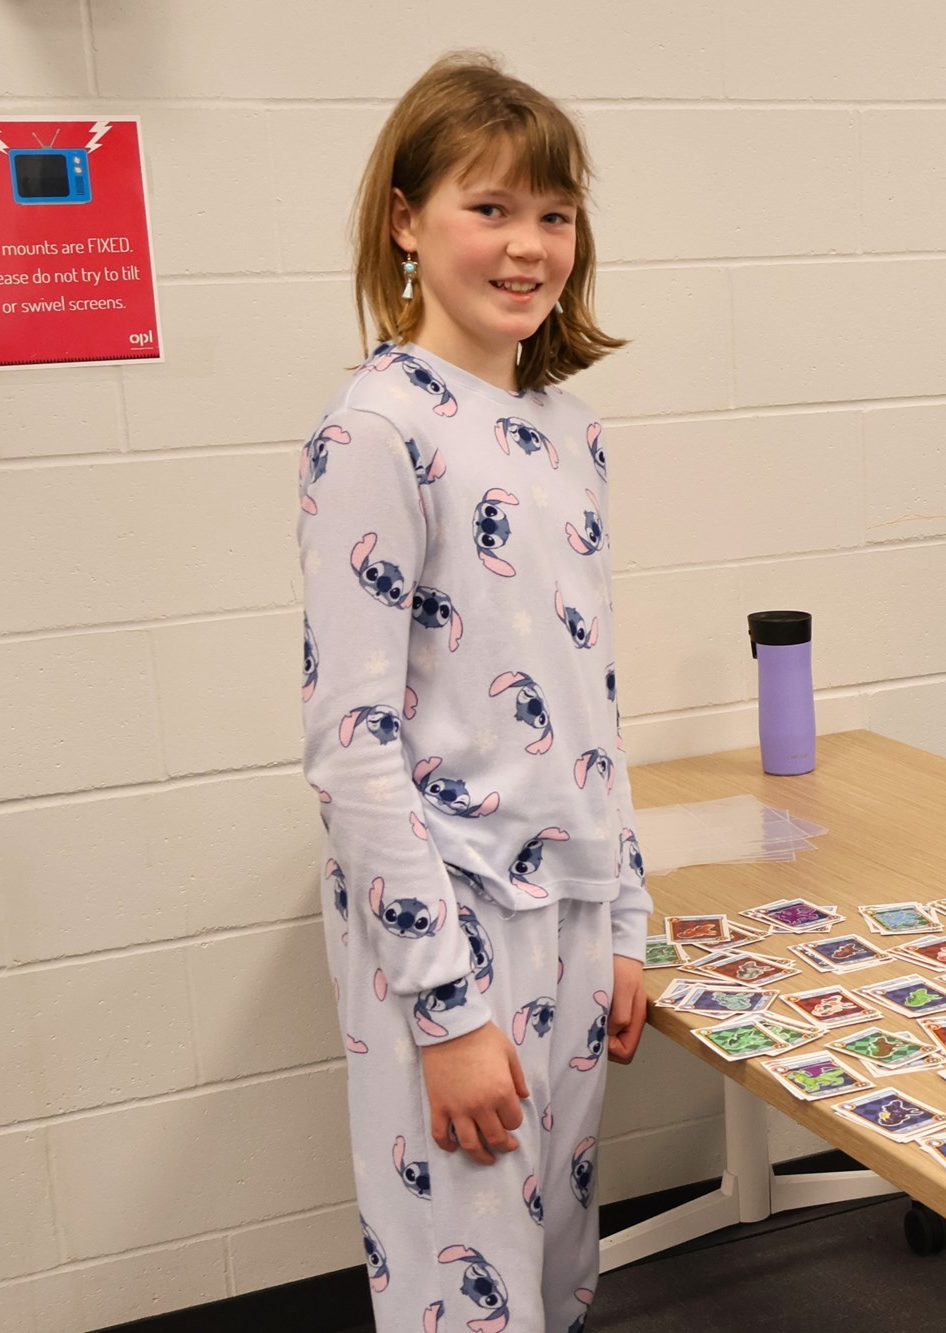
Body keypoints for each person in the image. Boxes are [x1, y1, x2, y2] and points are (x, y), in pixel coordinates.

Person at [298, 50, 649, 1333]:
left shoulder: (571, 432)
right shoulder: (377, 431)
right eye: (487, 209)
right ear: (406, 219)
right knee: (466, 1290)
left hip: (567, 905)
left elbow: (587, 695)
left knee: (552, 1271)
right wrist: (445, 1012)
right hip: (448, 925)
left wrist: (623, 912)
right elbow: (352, 745)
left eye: (550, 214)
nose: (526, 247)